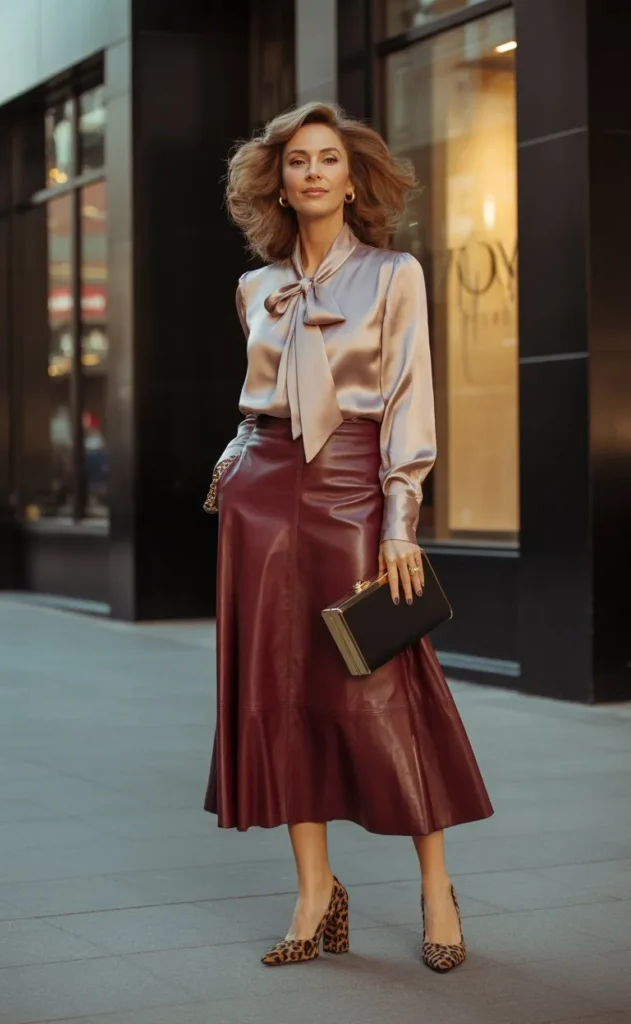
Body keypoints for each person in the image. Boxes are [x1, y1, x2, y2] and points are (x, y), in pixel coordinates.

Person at [204, 101, 493, 972]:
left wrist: (400, 522)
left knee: (383, 682)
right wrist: (231, 460)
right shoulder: (254, 288)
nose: (313, 172)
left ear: (352, 179)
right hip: (261, 496)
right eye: (298, 161)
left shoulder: (393, 273)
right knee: (281, 686)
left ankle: (436, 888)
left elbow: (408, 400)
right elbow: (260, 397)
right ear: (278, 184)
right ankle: (314, 891)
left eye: (328, 158)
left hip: (353, 491)